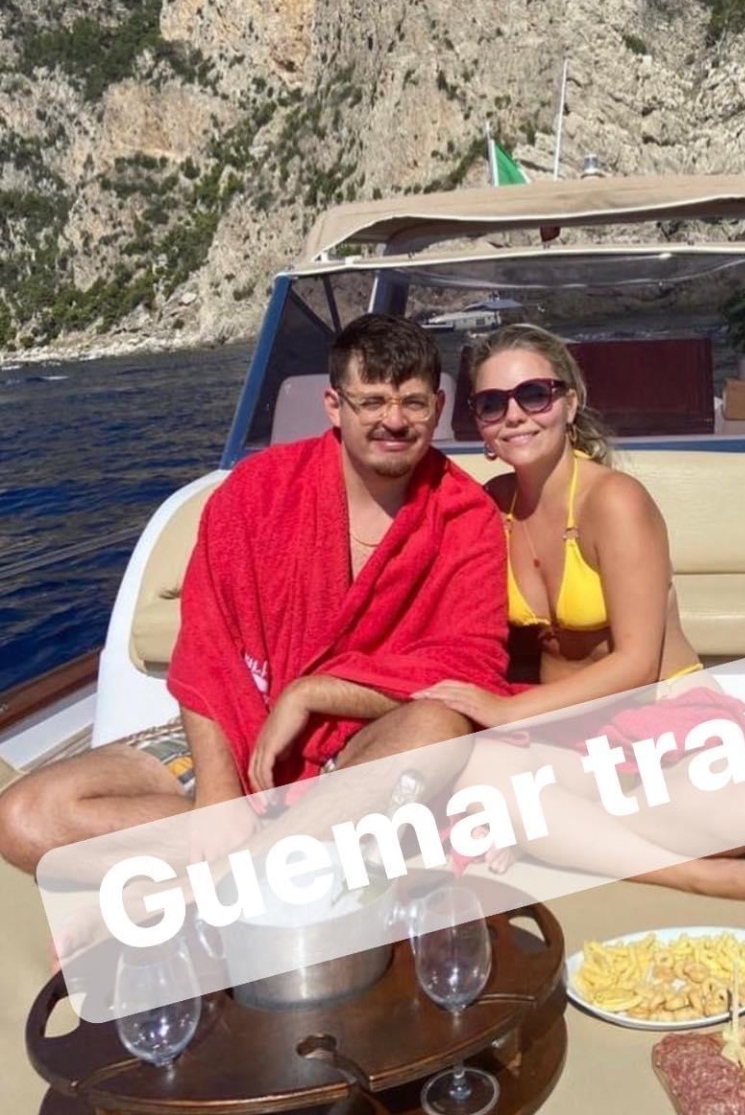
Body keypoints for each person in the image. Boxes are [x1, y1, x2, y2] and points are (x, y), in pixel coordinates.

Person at [0, 314, 510, 876]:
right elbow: (207, 645)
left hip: (360, 747)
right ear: (334, 405)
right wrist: (218, 792)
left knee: (436, 730)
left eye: (413, 403)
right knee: (23, 820)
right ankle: (288, 855)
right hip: (238, 725)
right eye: (371, 401)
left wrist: (313, 693)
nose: (393, 420)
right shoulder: (257, 492)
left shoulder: (466, 516)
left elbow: (468, 669)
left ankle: (231, 873)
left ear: (438, 408)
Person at [421, 324, 745, 912]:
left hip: (663, 722)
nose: (515, 415)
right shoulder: (493, 507)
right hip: (568, 735)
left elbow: (638, 664)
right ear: (480, 425)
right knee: (474, 770)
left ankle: (553, 832)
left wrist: (507, 711)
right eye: (492, 404)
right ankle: (692, 871)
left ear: (570, 403)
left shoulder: (615, 501)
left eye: (534, 395)